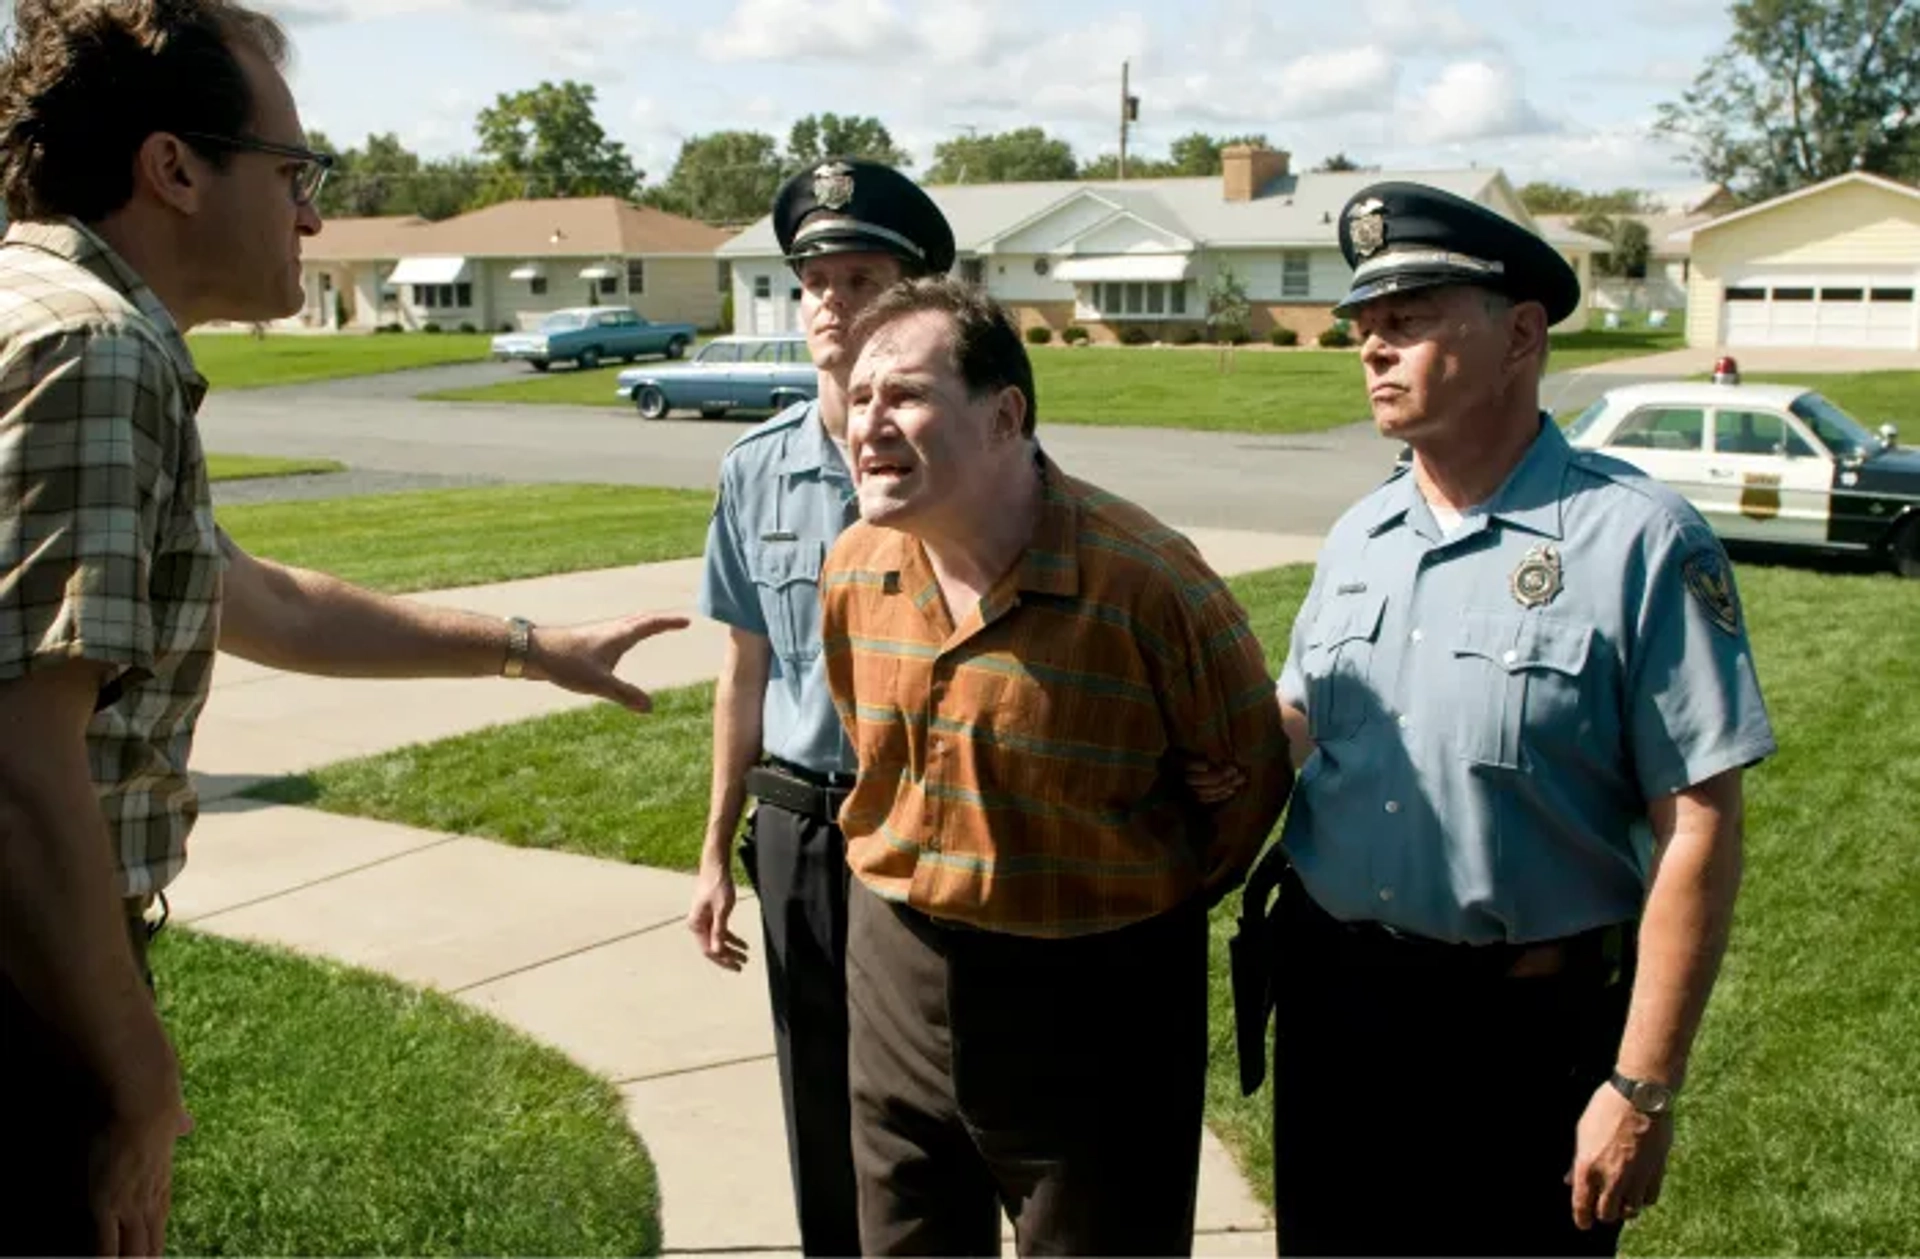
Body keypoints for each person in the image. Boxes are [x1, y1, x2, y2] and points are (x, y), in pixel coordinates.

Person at [0, 4, 685, 1253]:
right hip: (26, 990)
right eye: (294, 173)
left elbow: (242, 594)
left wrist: (528, 644)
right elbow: (25, 770)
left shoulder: (43, 311)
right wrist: (138, 1074)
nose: (313, 216)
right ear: (174, 169)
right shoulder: (95, 351)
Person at [1256, 181, 1777, 1256]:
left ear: (1522, 334)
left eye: (1409, 320)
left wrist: (1640, 1084)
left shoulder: (1637, 540)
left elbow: (1700, 827)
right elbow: (1299, 718)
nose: (1373, 350)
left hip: (1525, 1036)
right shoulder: (1362, 532)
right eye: (1364, 327)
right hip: (1339, 1016)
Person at [819, 277, 1292, 1256]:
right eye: (859, 398)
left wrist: (1134, 893)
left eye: (904, 394)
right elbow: (873, 751)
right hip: (896, 969)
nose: (869, 422)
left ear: (1004, 415)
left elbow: (1248, 777)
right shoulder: (855, 567)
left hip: (1094, 1002)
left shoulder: (1146, 579)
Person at [685, 157, 954, 1256]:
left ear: (918, 300)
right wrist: (711, 849)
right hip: (802, 824)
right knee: (817, 1098)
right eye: (814, 279)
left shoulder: (968, 457)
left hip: (937, 826)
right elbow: (746, 669)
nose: (832, 300)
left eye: (861, 275)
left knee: (938, 1107)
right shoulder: (756, 471)